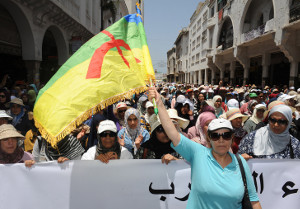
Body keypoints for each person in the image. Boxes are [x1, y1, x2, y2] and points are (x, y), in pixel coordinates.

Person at [148, 86, 262, 209]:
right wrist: (159, 103)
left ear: (232, 138)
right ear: (208, 139)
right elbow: (173, 134)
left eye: (226, 135)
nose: (221, 140)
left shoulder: (240, 163)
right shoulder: (198, 153)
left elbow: (254, 201)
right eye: (215, 136)